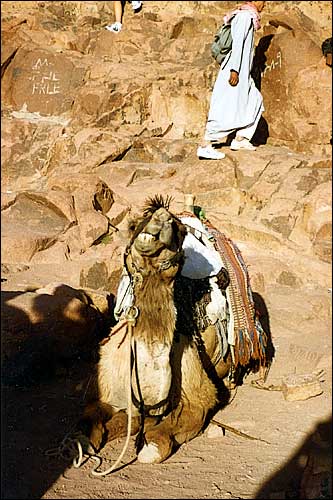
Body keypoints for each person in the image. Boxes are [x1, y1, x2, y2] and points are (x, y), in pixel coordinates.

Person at [197, 1, 266, 160]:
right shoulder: (243, 17)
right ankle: (205, 144)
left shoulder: (248, 17)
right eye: (263, 1)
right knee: (225, 106)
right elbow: (237, 45)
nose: (264, 4)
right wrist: (234, 70)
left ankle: (241, 139)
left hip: (242, 72)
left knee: (255, 101)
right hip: (235, 70)